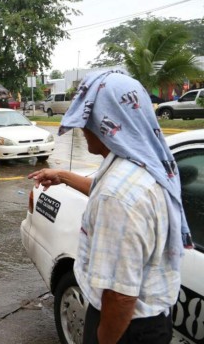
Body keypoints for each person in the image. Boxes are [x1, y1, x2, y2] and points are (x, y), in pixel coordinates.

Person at [28, 70, 193, 344]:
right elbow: (112, 192)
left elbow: (120, 296)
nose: (81, 128)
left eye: (87, 119)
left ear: (108, 122)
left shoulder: (116, 196)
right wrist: (64, 176)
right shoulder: (143, 162)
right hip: (148, 321)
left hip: (125, 329)